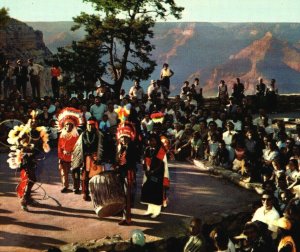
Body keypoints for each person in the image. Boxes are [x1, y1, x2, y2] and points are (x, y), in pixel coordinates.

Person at [7, 110, 50, 210]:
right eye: (32, 122)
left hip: (35, 159)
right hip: (26, 159)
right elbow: (18, 142)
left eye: (35, 122)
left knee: (32, 178)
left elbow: (43, 146)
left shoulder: (39, 133)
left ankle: (28, 198)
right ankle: (25, 199)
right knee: (31, 178)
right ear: (29, 123)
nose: (34, 123)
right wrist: (25, 147)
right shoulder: (25, 133)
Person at [72, 117, 104, 201]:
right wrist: (80, 159)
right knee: (85, 177)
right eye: (89, 125)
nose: (90, 127)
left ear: (95, 125)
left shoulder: (99, 134)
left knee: (97, 176)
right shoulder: (83, 135)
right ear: (86, 125)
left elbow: (102, 147)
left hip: (96, 158)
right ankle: (85, 193)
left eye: (92, 125)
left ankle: (96, 194)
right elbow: (78, 148)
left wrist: (100, 158)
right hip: (86, 159)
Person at [115, 121, 138, 225]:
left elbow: (132, 162)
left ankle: (127, 218)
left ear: (129, 137)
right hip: (122, 173)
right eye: (122, 138)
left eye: (126, 138)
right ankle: (123, 214)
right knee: (122, 195)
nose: (123, 139)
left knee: (127, 195)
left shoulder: (132, 147)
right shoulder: (120, 147)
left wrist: (123, 164)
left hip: (128, 173)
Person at [141, 133, 167, 218]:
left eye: (152, 140)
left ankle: (156, 212)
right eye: (149, 140)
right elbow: (144, 160)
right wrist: (145, 169)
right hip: (149, 173)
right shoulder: (147, 149)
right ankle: (150, 210)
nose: (150, 142)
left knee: (156, 192)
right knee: (149, 191)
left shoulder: (161, 149)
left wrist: (153, 171)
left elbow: (160, 164)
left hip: (158, 174)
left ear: (156, 141)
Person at [57, 108, 83, 194]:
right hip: (64, 157)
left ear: (73, 126)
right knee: (64, 173)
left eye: (70, 125)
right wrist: (60, 157)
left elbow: (79, 148)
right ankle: (65, 186)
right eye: (67, 125)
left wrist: (76, 156)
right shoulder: (62, 135)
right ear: (64, 126)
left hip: (74, 157)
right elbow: (59, 147)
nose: (68, 126)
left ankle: (76, 187)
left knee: (75, 173)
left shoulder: (76, 136)